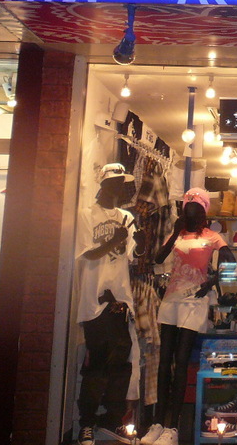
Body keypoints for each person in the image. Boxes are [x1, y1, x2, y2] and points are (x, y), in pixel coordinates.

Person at [140, 188, 234, 445]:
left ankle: (173, 427)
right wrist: (174, 233)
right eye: (187, 206)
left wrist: (212, 281)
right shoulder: (178, 234)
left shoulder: (212, 236)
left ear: (203, 211)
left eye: (195, 206)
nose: (190, 210)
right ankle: (157, 423)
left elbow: (231, 263)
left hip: (194, 301)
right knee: (164, 362)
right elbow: (158, 258)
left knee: (181, 361)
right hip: (171, 299)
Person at [75, 164, 138, 445]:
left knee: (121, 366)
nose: (119, 187)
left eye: (121, 182)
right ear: (102, 184)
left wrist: (141, 243)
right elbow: (88, 254)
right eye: (114, 182)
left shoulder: (127, 217)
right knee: (97, 365)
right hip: (94, 301)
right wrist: (114, 239)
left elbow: (132, 255)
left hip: (120, 300)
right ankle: (86, 424)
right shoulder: (86, 214)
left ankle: (112, 420)